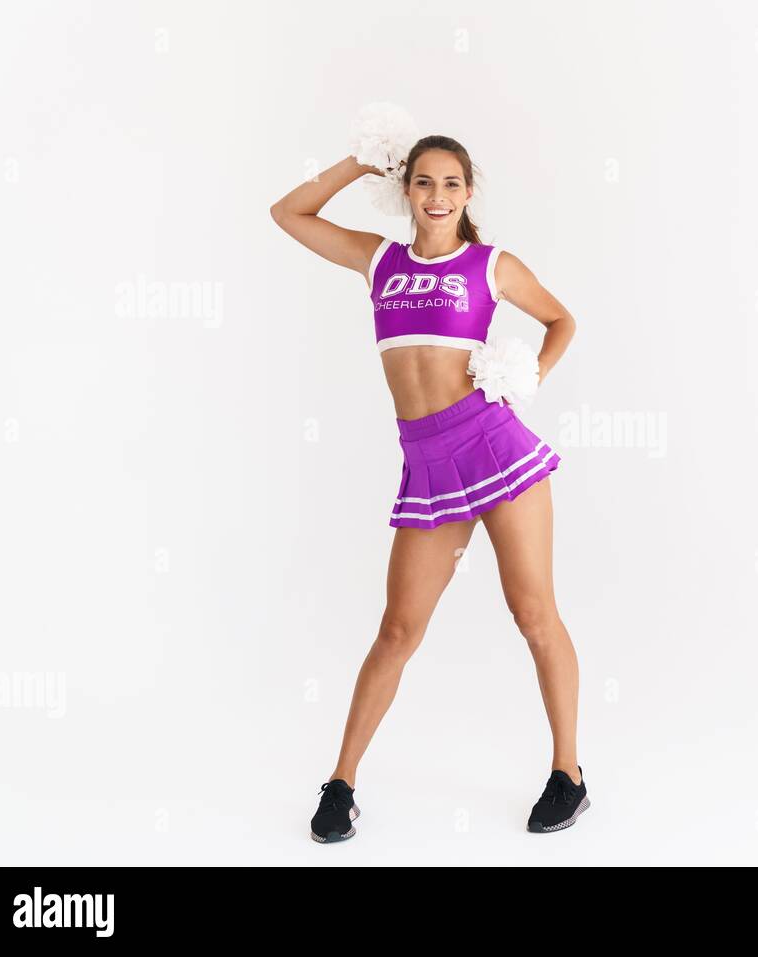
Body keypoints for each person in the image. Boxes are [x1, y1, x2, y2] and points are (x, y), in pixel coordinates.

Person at [269, 135, 588, 840]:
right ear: (406, 190)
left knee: (534, 615)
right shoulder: (378, 259)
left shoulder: (491, 264)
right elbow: (288, 214)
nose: (437, 197)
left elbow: (562, 319)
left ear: (469, 193)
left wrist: (528, 374)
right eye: (422, 183)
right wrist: (360, 161)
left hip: (493, 446)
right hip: (428, 464)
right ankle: (340, 782)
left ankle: (568, 772)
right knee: (397, 629)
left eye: (450, 184)